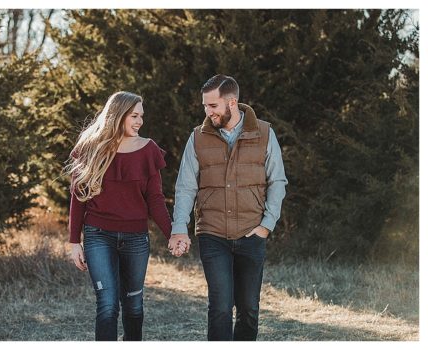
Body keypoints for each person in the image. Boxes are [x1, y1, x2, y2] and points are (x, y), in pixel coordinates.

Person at [169, 74, 288, 341]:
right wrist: (179, 229)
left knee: (249, 309)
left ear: (232, 102)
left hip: (252, 234)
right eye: (204, 106)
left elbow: (277, 181)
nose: (207, 111)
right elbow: (186, 187)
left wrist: (266, 226)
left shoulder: (265, 133)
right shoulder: (197, 138)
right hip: (213, 235)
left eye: (213, 106)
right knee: (220, 308)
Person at [65, 91, 174, 341]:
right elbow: (78, 197)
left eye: (141, 116)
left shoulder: (148, 149)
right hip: (97, 236)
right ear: (118, 115)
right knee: (107, 306)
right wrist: (74, 242)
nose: (140, 121)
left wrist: (172, 234)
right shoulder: (90, 147)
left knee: (134, 308)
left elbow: (155, 199)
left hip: (136, 239)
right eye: (134, 116)